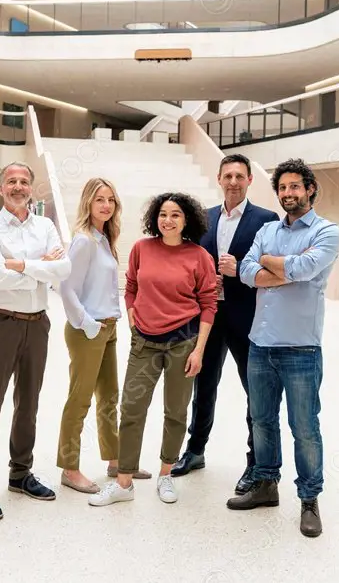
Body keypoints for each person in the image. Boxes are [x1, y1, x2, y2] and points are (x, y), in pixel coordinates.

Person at [228, 158, 339, 540]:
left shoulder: (328, 231)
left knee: (305, 428)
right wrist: (281, 269)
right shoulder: (266, 229)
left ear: (310, 189)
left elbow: (306, 269)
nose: (288, 193)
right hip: (260, 344)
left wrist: (269, 265)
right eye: (283, 188)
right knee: (261, 421)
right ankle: (265, 485)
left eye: (296, 186)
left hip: (301, 350)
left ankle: (309, 499)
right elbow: (245, 273)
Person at [88, 192, 218, 507]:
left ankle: (165, 474)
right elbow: (130, 288)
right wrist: (134, 325)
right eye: (162, 214)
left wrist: (198, 350)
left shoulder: (199, 255)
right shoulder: (141, 249)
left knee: (175, 412)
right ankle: (123, 482)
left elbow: (209, 304)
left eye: (175, 215)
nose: (167, 220)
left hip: (183, 344)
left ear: (186, 220)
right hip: (144, 343)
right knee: (131, 410)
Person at [0, 161, 72, 520]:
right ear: (1, 189)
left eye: (24, 181)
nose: (17, 186)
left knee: (28, 404)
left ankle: (20, 473)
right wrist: (38, 266)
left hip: (38, 324)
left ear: (31, 188)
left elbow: (63, 270)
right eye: (11, 181)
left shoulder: (45, 225)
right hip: (1, 324)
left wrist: (21, 265)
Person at [173, 154, 279, 495]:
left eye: (239, 176)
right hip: (207, 319)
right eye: (228, 175)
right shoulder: (203, 218)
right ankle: (195, 451)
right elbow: (189, 263)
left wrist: (241, 273)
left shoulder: (267, 219)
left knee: (255, 393)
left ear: (250, 180)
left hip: (248, 319)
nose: (233, 181)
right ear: (219, 179)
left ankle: (255, 462)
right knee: (203, 388)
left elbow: (271, 269)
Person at [57, 178, 151, 494]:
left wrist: (109, 323)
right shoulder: (83, 240)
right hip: (89, 330)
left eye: (111, 199)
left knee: (109, 397)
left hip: (107, 327)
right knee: (79, 400)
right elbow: (66, 288)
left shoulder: (104, 238)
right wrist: (87, 324)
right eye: (100, 199)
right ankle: (69, 469)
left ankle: (114, 460)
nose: (106, 205)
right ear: (88, 203)